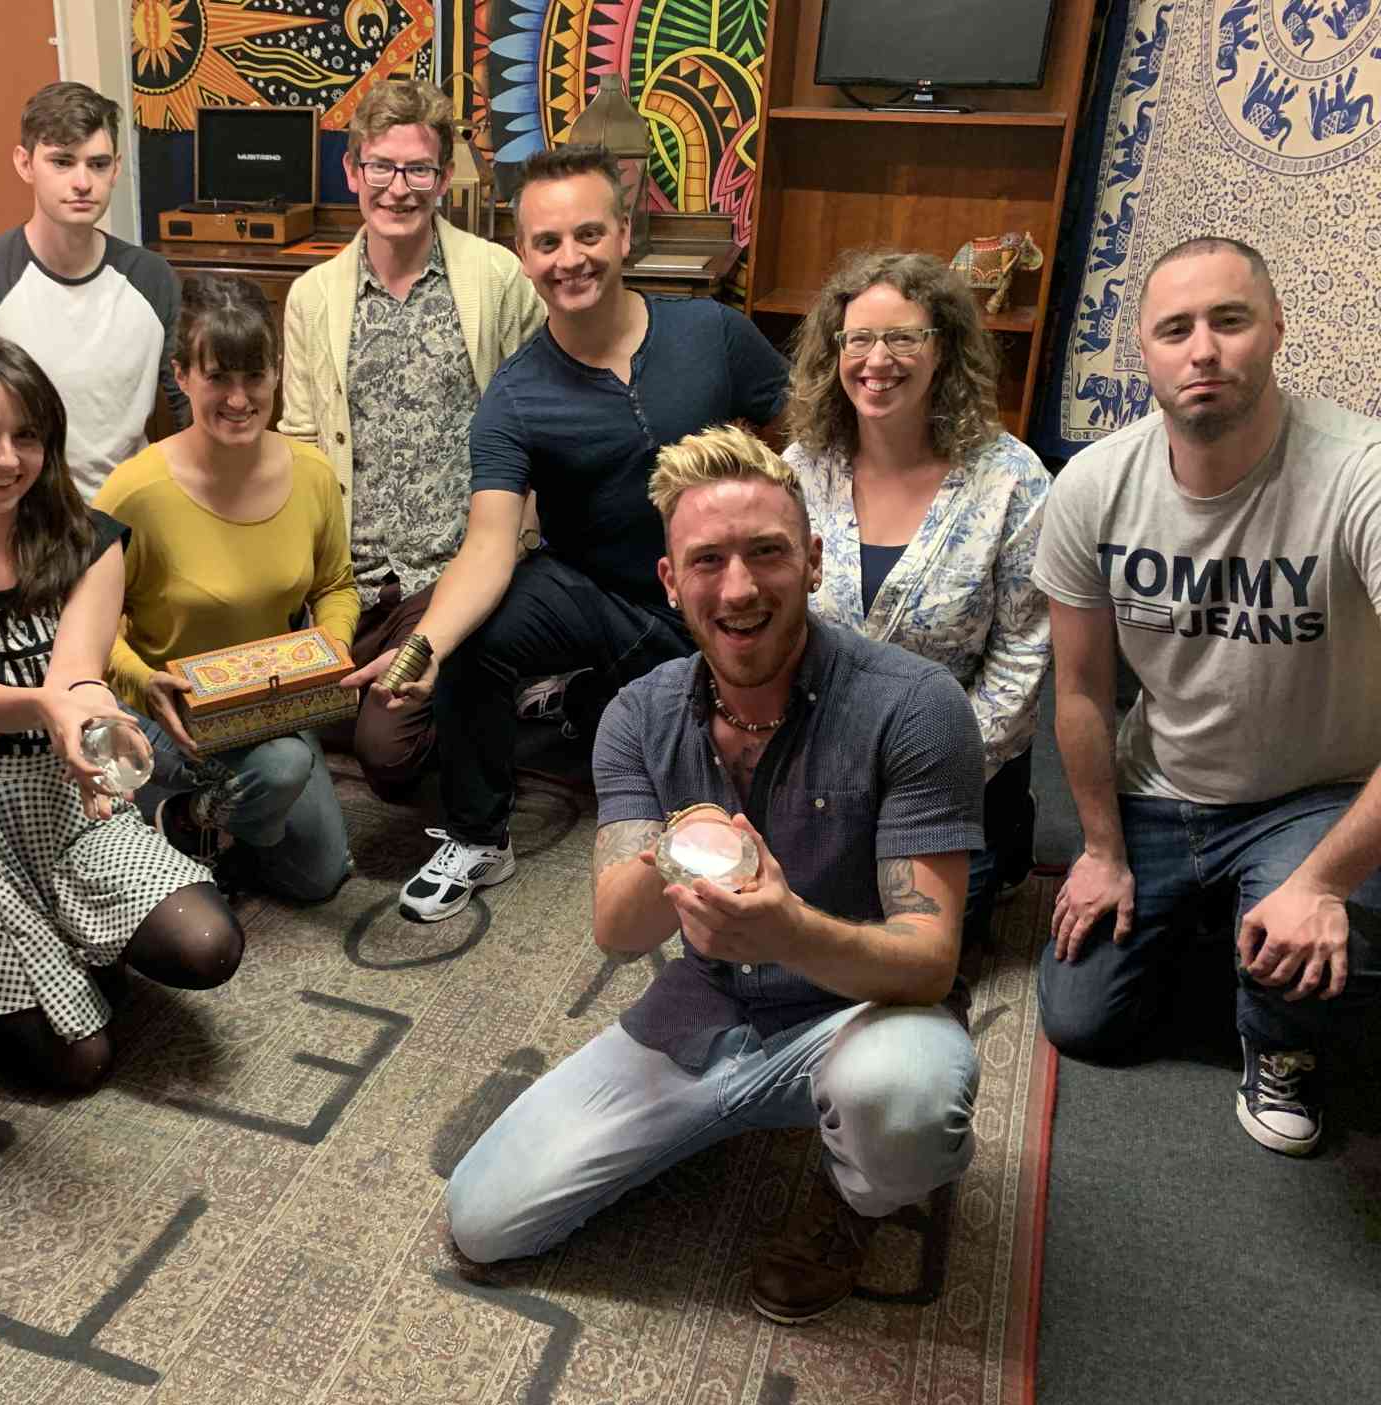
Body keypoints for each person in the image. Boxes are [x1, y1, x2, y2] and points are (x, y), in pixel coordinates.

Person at [446, 427, 983, 1326]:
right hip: (709, 1010)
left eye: (767, 553)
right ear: (670, 581)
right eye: (707, 561)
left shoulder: (915, 706)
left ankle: (855, 1198)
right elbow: (619, 932)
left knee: (908, 1104)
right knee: (484, 1218)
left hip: (863, 1011)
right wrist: (679, 841)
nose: (738, 589)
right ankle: (718, 1117)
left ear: (813, 562)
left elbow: (929, 961)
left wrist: (789, 930)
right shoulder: (637, 715)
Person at [345, 143, 790, 923]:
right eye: (547, 242)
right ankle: (479, 835)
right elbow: (488, 544)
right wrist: (426, 647)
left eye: (588, 234)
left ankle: (601, 701)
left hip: (727, 595)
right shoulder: (515, 397)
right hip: (600, 595)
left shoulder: (712, 333)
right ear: (524, 255)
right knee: (477, 635)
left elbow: (800, 437)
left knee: (755, 811)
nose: (570, 259)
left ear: (624, 234)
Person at [1032, 236, 1381, 1157]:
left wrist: (1324, 881)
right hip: (1162, 786)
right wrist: (1099, 848)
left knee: (1337, 962)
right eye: (1175, 329)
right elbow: (1080, 689)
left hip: (1312, 794)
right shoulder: (1094, 485)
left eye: (1230, 321)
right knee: (1083, 1021)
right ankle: (1224, 927)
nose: (1204, 350)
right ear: (1143, 352)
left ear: (1276, 329)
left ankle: (1280, 1038)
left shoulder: (1360, 473)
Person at [0, 333, 244, 1092]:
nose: (6, 458)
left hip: (63, 793)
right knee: (78, 1062)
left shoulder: (88, 540)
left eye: (27, 437)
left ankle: (67, 953)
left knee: (208, 946)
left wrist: (100, 722)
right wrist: (51, 707)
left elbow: (77, 675)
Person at [279, 78, 544, 801]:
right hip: (352, 578)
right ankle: (464, 693)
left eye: (418, 170)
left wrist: (520, 540)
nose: (398, 189)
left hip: (451, 572)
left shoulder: (496, 279)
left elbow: (538, 418)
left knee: (386, 756)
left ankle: (477, 680)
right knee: (286, 715)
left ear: (444, 177)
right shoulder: (312, 296)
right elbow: (299, 442)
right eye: (382, 167)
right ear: (352, 171)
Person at [782, 250, 1051, 942]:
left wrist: (922, 777)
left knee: (910, 953)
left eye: (903, 338)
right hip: (821, 762)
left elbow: (1022, 660)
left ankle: (1007, 838)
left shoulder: (1013, 479)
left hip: (955, 772)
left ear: (944, 350)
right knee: (781, 925)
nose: (878, 360)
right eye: (859, 339)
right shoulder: (801, 469)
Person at [95, 272, 359, 903]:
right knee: (285, 769)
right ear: (182, 376)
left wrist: (328, 655)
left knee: (322, 877)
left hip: (273, 706)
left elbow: (336, 585)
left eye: (254, 376)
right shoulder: (133, 493)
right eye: (217, 377)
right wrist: (142, 682)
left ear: (277, 373)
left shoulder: (312, 474)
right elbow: (87, 630)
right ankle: (184, 813)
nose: (239, 399)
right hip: (168, 714)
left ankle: (203, 826)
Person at [0, 81, 187, 494]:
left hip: (128, 508)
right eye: (62, 162)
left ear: (117, 168)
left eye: (98, 164)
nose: (82, 182)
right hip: (16, 510)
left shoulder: (152, 278)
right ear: (25, 164)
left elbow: (189, 402)